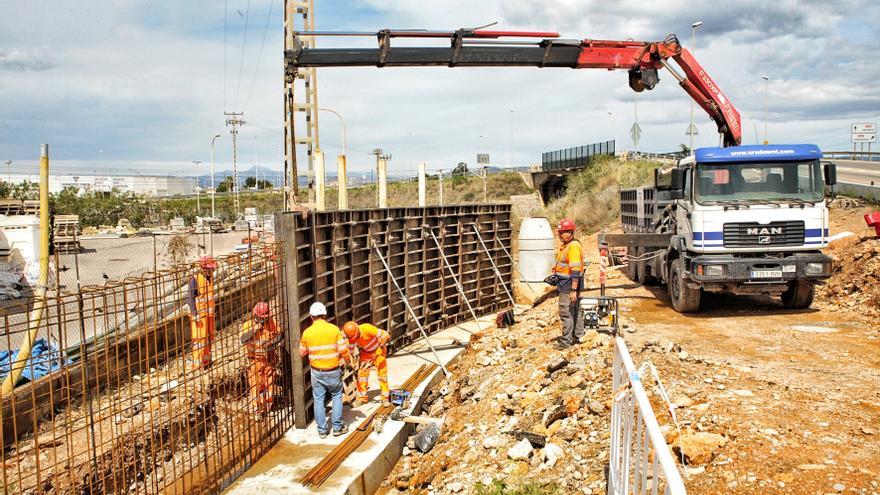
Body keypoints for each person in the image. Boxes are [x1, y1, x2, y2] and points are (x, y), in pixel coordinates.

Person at [299, 302, 352, 438]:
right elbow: (344, 351)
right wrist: (348, 363)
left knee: (318, 399)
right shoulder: (334, 330)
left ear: (311, 317)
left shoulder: (307, 332)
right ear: (324, 315)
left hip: (317, 372)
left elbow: (302, 353)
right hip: (333, 371)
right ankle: (337, 428)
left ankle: (322, 430)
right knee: (336, 396)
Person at [240, 302, 283, 415]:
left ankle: (268, 405)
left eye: (266, 317)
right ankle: (257, 408)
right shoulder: (248, 325)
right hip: (255, 361)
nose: (265, 320)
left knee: (269, 383)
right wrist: (255, 330)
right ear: (256, 316)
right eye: (262, 318)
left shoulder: (272, 322)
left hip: (269, 359)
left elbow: (279, 335)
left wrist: (270, 343)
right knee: (256, 385)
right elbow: (243, 339)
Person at [551, 219, 584, 350]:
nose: (560, 235)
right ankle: (578, 336)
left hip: (569, 285)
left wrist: (573, 290)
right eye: (559, 232)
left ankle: (566, 342)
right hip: (566, 283)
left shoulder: (573, 246)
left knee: (566, 312)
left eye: (563, 232)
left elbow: (575, 270)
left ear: (570, 232)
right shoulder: (567, 245)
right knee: (575, 310)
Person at [343, 321, 391, 407]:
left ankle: (385, 397)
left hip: (378, 350)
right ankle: (362, 398)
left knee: (382, 375)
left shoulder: (367, 328)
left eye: (356, 336)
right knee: (361, 375)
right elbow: (350, 352)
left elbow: (385, 334)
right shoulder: (351, 338)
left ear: (358, 329)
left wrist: (380, 347)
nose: (355, 339)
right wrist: (352, 363)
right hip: (366, 354)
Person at [188, 256, 217, 371]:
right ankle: (196, 365)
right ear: (203, 268)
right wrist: (194, 314)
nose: (212, 270)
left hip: (208, 315)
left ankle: (206, 361)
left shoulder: (209, 278)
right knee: (199, 340)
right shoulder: (195, 279)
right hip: (199, 317)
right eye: (210, 268)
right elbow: (190, 299)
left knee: (209, 338)